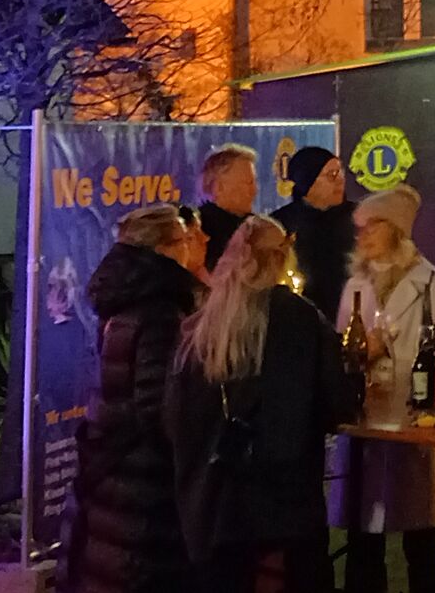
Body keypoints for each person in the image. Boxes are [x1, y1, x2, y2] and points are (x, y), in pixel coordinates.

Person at [166, 214, 355, 593]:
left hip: (216, 502)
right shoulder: (300, 319)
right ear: (282, 257)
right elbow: (336, 404)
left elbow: (174, 416)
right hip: (286, 503)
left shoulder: (201, 326)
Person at [63, 205, 207, 593]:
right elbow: (158, 403)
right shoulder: (161, 309)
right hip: (143, 483)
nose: (192, 247)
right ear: (165, 248)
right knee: (136, 570)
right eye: (184, 239)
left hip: (115, 462)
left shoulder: (125, 299)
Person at [332, 186, 435, 593]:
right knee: (363, 536)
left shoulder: (433, 286)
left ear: (396, 230)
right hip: (365, 424)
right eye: (360, 227)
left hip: (412, 425)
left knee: (419, 536)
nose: (363, 235)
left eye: (374, 225)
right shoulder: (355, 286)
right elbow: (340, 353)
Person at [274, 145, 356, 323]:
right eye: (331, 175)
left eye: (340, 172)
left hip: (352, 318)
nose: (340, 180)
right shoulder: (280, 225)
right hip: (298, 321)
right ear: (307, 181)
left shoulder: (360, 218)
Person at [197, 145, 260, 270]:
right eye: (247, 183)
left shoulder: (257, 227)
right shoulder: (200, 232)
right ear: (219, 187)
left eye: (253, 182)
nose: (253, 191)